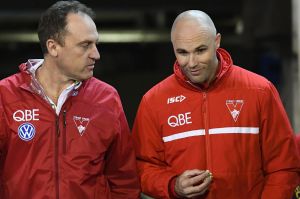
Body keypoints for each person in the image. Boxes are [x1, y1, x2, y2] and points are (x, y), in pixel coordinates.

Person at [132, 10, 300, 199]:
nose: (192, 62)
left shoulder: (260, 91)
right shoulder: (154, 101)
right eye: (182, 53)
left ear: (217, 41)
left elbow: (284, 166)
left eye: (200, 50)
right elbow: (140, 167)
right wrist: (173, 185)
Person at [0, 1, 140, 198]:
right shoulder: (5, 95)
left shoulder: (107, 98)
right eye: (85, 45)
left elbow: (124, 181)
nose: (96, 55)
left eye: (95, 44)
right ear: (53, 47)